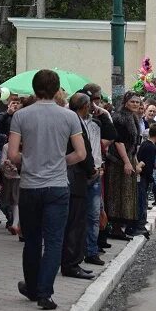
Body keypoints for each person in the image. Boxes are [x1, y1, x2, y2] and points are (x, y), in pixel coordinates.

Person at [9, 69, 86, 310]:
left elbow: (12, 154)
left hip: (30, 186)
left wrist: (30, 160)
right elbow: (81, 153)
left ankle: (31, 287)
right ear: (57, 90)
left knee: (32, 240)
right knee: (54, 241)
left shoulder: (21, 116)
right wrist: (59, 162)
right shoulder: (69, 117)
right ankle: (45, 293)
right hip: (57, 186)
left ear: (34, 88)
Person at [61, 93, 97, 281]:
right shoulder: (74, 121)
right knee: (75, 223)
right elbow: (83, 151)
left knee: (75, 223)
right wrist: (91, 170)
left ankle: (73, 261)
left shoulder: (74, 119)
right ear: (84, 106)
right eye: (90, 104)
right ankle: (71, 263)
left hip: (74, 177)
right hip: (75, 177)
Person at [79, 84, 116, 266]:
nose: (93, 105)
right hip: (78, 173)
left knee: (94, 214)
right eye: (91, 101)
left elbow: (111, 134)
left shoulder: (97, 121)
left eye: (96, 101)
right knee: (78, 214)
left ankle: (91, 251)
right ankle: (78, 250)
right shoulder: (72, 120)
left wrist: (102, 114)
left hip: (95, 170)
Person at [105, 92, 142, 240]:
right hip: (118, 161)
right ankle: (115, 227)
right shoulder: (119, 117)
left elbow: (133, 143)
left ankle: (121, 227)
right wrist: (126, 161)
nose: (135, 104)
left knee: (127, 193)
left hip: (128, 157)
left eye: (137, 102)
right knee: (117, 194)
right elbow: (119, 141)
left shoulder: (133, 117)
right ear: (126, 102)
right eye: (132, 101)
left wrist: (134, 160)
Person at [136, 123, 156, 239]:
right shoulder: (151, 147)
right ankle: (141, 225)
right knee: (142, 201)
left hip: (141, 176)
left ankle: (140, 223)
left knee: (142, 200)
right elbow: (148, 165)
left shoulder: (144, 144)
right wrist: (150, 177)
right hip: (144, 177)